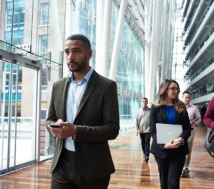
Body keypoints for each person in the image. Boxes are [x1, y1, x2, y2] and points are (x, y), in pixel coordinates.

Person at [46, 34, 120, 189]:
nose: (70, 57)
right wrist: (54, 127)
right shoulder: (58, 86)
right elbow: (50, 119)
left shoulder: (106, 86)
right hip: (62, 165)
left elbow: (112, 129)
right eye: (67, 52)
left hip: (93, 167)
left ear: (89, 54)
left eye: (76, 51)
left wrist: (75, 131)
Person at [150, 79, 191, 189]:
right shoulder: (156, 107)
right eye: (173, 88)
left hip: (178, 149)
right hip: (161, 150)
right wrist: (164, 145)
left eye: (177, 89)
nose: (176, 91)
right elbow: (153, 130)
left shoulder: (181, 106)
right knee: (164, 183)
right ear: (165, 89)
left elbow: (187, 128)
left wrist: (181, 139)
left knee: (173, 183)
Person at [181, 91, 201, 177]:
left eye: (189, 97)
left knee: (188, 149)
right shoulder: (177, 107)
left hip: (190, 131)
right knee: (179, 149)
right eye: (186, 97)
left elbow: (199, 118)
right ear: (182, 97)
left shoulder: (194, 108)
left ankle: (185, 166)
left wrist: (194, 123)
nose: (188, 99)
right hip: (179, 131)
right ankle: (179, 165)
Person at [135, 97, 151, 162]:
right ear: (141, 102)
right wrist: (136, 130)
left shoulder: (150, 110)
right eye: (143, 101)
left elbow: (153, 120)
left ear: (147, 102)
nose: (144, 102)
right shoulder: (138, 111)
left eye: (145, 101)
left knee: (147, 143)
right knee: (143, 143)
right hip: (141, 130)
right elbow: (136, 121)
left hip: (148, 130)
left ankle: (147, 155)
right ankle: (144, 153)